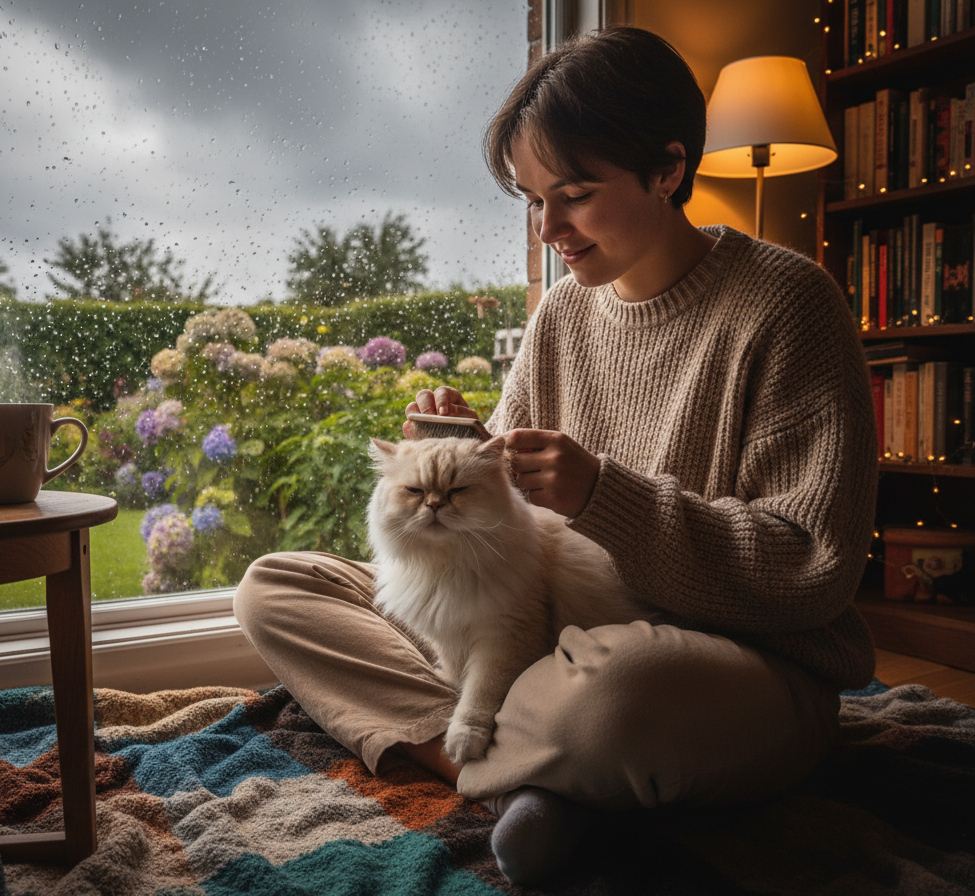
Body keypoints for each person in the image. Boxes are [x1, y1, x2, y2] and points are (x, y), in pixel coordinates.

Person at [235, 25, 878, 886]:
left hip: (728, 665)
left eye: (571, 194)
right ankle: (516, 769)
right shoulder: (564, 316)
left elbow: (812, 567)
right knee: (278, 588)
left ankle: (515, 753)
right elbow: (509, 509)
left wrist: (604, 493)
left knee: (619, 692)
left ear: (668, 170)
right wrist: (463, 442)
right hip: (550, 634)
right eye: (533, 201)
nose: (549, 229)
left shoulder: (789, 305)